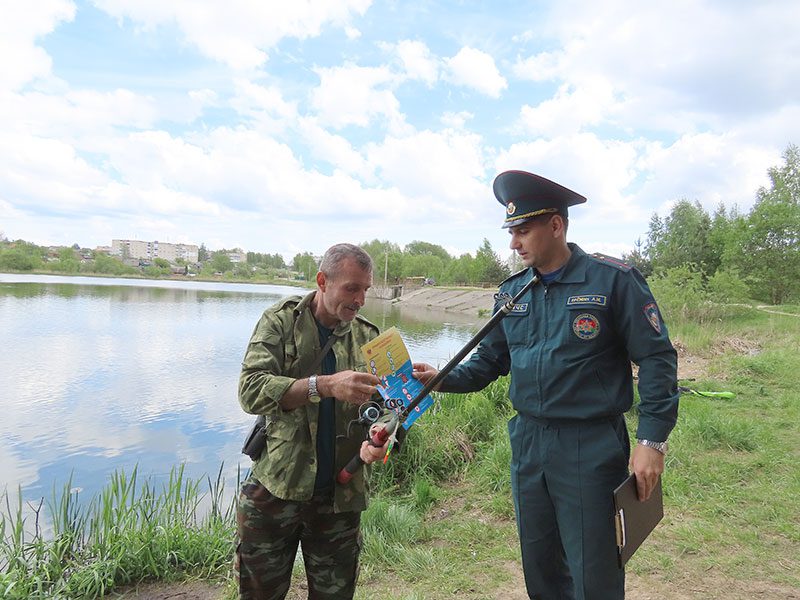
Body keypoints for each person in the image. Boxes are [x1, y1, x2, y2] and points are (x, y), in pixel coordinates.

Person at [413, 171, 679, 600]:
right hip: (529, 441)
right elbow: (490, 362)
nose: (513, 244)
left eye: (522, 231)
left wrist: (652, 440)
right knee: (540, 564)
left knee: (593, 567)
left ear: (556, 225)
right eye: (511, 232)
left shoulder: (612, 281)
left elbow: (656, 358)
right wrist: (440, 380)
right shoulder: (513, 293)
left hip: (589, 444)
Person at [236, 243, 388, 600]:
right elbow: (250, 390)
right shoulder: (280, 321)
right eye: (351, 288)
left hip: (340, 497)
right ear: (322, 281)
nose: (360, 300)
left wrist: (382, 439)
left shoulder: (370, 337)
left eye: (365, 289)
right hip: (276, 489)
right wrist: (325, 385)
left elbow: (391, 409)